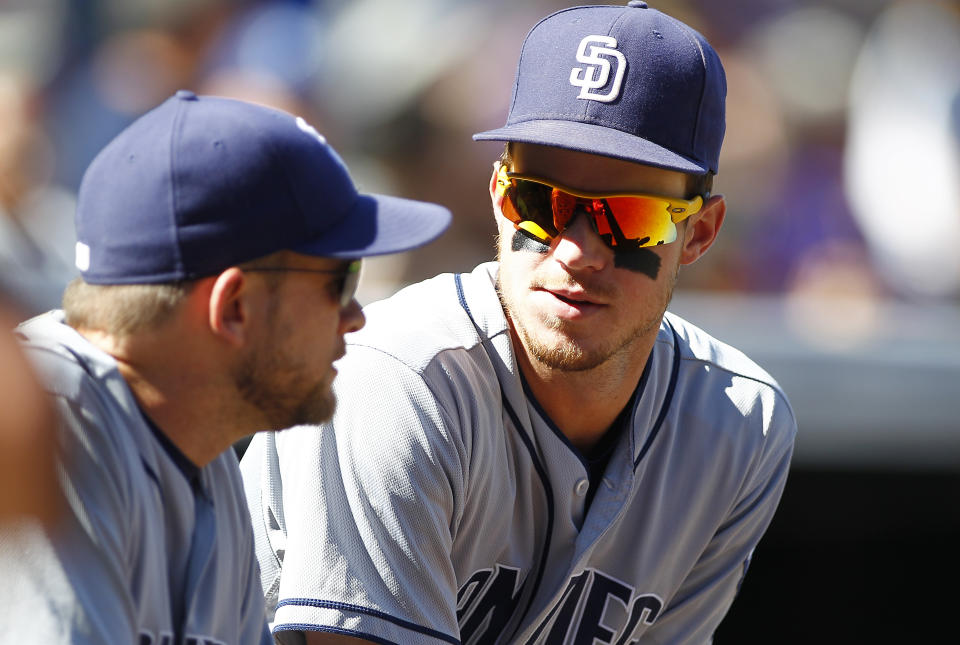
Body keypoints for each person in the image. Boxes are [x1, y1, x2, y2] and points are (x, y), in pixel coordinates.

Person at [241, 3, 797, 644]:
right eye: (540, 202)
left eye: (630, 216)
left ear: (699, 233)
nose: (575, 251)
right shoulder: (394, 378)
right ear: (499, 196)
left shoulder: (739, 425)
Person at [0, 90, 450, 644]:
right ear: (234, 307)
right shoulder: (56, 422)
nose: (356, 318)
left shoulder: (201, 444)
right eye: (340, 282)